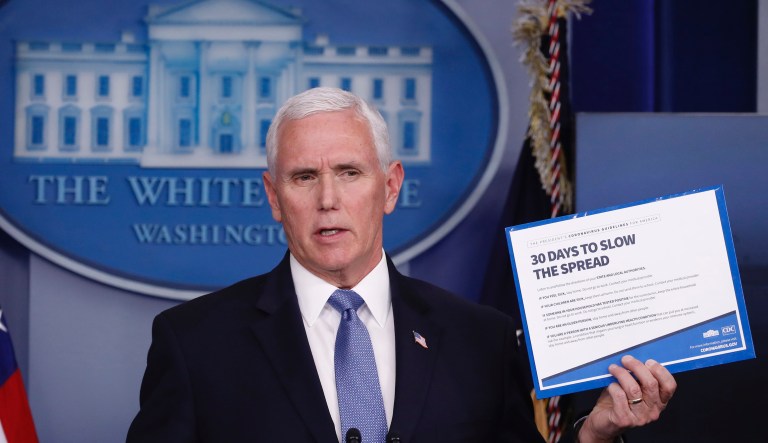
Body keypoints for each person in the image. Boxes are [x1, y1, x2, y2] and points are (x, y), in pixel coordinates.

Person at [127, 87, 676, 442]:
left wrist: (594, 436)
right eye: (303, 177)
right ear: (274, 197)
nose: (327, 200)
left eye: (349, 173)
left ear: (390, 187)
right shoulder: (195, 343)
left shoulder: (480, 340)